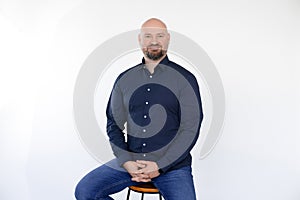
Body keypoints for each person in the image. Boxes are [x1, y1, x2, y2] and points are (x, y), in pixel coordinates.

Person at [75, 18, 203, 200]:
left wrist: (160, 166)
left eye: (159, 35)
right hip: (132, 163)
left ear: (167, 39)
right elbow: (114, 124)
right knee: (85, 191)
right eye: (148, 36)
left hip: (173, 167)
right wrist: (126, 161)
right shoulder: (124, 79)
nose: (154, 41)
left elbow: (190, 128)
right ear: (140, 39)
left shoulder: (185, 79)